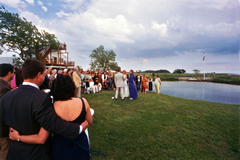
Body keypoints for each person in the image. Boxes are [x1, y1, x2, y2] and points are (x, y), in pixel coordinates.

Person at [0, 59, 88, 160]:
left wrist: (16, 136)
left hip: (14, 152)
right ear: (39, 75)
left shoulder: (6, 97)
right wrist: (79, 128)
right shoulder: (41, 98)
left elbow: (2, 124)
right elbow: (52, 123)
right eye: (44, 74)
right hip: (36, 153)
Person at [0, 63, 15, 160]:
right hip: (2, 126)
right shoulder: (4, 89)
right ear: (9, 73)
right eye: (14, 72)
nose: (14, 74)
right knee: (5, 150)